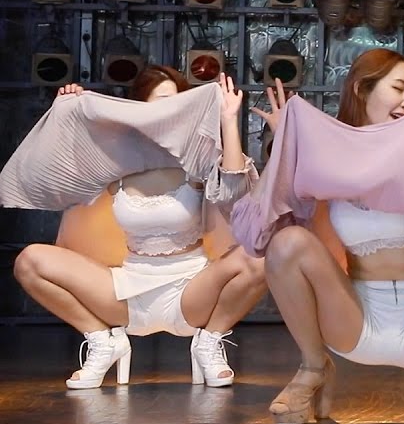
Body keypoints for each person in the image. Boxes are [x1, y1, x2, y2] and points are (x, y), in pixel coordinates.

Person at [230, 48, 404, 424]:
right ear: (362, 88)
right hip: (355, 320)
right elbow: (257, 232)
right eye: (398, 88)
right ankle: (313, 367)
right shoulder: (328, 157)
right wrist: (285, 145)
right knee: (287, 243)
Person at [5, 67, 263, 389]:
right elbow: (56, 177)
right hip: (128, 291)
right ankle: (103, 342)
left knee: (262, 257)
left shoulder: (196, 160)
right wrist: (68, 113)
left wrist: (228, 120)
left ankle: (209, 342)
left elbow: (235, 193)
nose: (168, 111)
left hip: (190, 290)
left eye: (176, 102)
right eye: (160, 102)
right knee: (29, 261)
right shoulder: (116, 162)